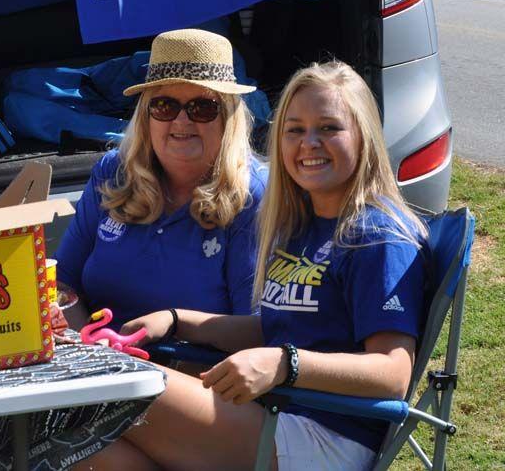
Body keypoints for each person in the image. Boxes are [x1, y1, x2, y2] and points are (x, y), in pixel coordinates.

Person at [76, 60, 428, 471]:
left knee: (113, 385)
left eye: (329, 128)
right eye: (294, 130)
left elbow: (393, 373)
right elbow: (280, 326)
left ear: (364, 135)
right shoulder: (304, 224)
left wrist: (283, 363)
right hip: (275, 413)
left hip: (324, 436)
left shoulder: (376, 236)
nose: (309, 143)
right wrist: (177, 320)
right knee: (92, 456)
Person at [56, 28, 267, 330]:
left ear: (228, 117)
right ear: (146, 115)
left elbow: (256, 330)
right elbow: (60, 284)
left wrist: (172, 325)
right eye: (164, 105)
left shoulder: (252, 195)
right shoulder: (112, 172)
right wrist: (92, 344)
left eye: (202, 107)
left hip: (200, 360)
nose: (181, 120)